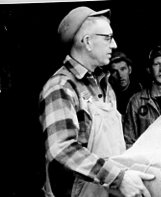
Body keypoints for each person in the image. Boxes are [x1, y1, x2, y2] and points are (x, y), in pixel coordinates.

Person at [39, 6, 154, 197]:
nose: (115, 44)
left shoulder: (105, 85)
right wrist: (118, 178)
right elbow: (61, 149)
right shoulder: (60, 87)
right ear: (88, 42)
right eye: (107, 38)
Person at [107, 50, 143, 115]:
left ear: (130, 70)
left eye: (123, 69)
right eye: (114, 71)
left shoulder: (141, 91)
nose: (120, 75)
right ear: (109, 74)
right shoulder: (107, 94)